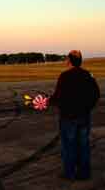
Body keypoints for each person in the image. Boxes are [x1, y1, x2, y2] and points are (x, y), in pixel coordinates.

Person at [49, 50, 100, 181]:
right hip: (84, 116)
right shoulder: (88, 75)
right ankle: (84, 173)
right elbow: (95, 95)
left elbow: (58, 97)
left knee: (68, 146)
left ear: (69, 61)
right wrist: (87, 108)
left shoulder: (64, 76)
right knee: (83, 145)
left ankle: (69, 173)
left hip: (68, 117)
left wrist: (49, 101)